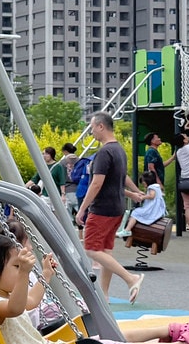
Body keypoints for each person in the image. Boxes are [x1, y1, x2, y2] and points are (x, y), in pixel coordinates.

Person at [0, 234, 189, 344]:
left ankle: (170, 330)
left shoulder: (6, 297)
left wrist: (44, 276)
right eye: (15, 267)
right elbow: (15, 309)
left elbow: (30, 301)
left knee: (105, 337)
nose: (21, 272)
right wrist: (25, 273)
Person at [75, 111, 145, 303]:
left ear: (100, 126)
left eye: (92, 128)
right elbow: (120, 179)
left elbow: (97, 183)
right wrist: (133, 192)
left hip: (102, 209)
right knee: (106, 251)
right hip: (117, 208)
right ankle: (103, 295)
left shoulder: (104, 152)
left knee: (91, 249)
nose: (91, 132)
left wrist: (82, 209)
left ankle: (131, 278)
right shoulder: (119, 150)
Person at [117, 171, 166, 238]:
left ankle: (127, 230)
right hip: (157, 208)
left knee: (135, 213)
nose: (144, 186)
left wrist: (143, 197)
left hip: (152, 209)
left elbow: (152, 196)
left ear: (146, 182)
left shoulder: (151, 187)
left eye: (143, 184)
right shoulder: (157, 186)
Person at [59, 142, 80, 220]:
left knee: (68, 217)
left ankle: (69, 232)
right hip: (79, 189)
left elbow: (61, 179)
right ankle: (81, 232)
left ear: (65, 151)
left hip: (67, 190)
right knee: (80, 215)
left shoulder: (62, 162)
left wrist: (62, 193)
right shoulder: (80, 161)